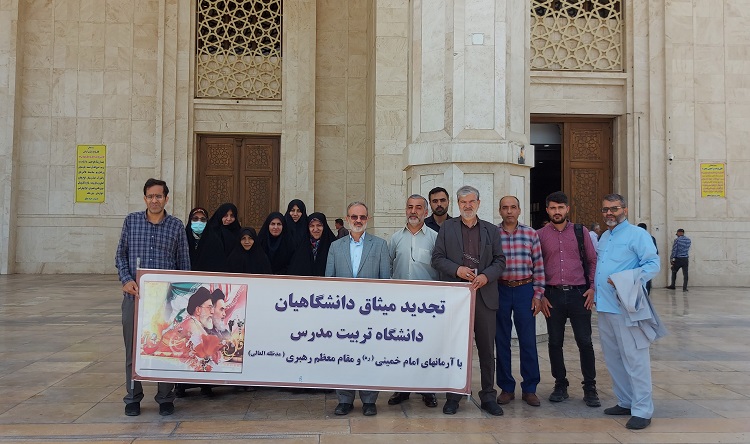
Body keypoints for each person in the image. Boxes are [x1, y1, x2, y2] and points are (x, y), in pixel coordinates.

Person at [115, 178, 190, 417]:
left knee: (165, 348)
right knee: (133, 349)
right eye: (150, 196)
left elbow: (183, 264)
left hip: (165, 302)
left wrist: (180, 299)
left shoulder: (176, 226)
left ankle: (165, 397)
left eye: (159, 196)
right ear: (145, 198)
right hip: (135, 299)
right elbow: (120, 256)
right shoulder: (132, 221)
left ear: (166, 199)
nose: (154, 200)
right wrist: (126, 280)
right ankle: (132, 397)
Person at [432, 185, 506, 416]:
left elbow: (500, 261)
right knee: (455, 348)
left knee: (486, 350)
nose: (467, 206)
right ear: (458, 204)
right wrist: (457, 270)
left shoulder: (491, 230)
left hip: (484, 297)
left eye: (471, 201)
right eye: (463, 202)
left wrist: (485, 276)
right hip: (457, 298)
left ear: (479, 203)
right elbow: (437, 259)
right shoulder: (447, 228)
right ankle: (454, 396)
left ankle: (488, 396)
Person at [596, 193, 661, 430]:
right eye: (605, 209)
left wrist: (624, 278)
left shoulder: (638, 235)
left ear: (625, 209)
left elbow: (653, 264)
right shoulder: (605, 237)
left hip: (627, 307)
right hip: (604, 307)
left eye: (614, 209)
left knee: (635, 359)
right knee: (614, 359)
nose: (609, 213)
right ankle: (625, 401)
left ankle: (643, 410)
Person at [325, 201, 391, 416]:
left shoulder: (379, 245)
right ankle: (344, 399)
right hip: (342, 313)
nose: (358, 220)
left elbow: (385, 281)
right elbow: (329, 280)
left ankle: (369, 400)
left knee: (370, 356)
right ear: (347, 219)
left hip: (371, 313)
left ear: (368, 219)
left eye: (362, 217)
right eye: (354, 217)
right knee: (343, 356)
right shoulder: (336, 246)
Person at [536, 191, 600, 407]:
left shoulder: (581, 232)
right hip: (552, 295)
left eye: (560, 208)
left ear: (567, 209)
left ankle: (590, 387)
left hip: (579, 294)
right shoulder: (540, 235)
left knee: (585, 342)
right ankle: (560, 384)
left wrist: (592, 288)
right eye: (553, 208)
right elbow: (535, 266)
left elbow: (592, 261)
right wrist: (541, 295)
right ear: (547, 210)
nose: (557, 212)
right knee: (555, 342)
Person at [386, 195, 439, 409]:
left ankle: (428, 390)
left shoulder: (435, 238)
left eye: (418, 207)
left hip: (427, 304)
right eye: (410, 207)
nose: (413, 211)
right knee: (402, 346)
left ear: (426, 212)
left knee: (426, 347)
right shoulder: (395, 238)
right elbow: (389, 265)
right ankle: (403, 388)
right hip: (400, 304)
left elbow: (439, 269)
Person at [495, 196, 545, 408]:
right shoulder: (493, 234)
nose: (509, 211)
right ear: (499, 211)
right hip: (500, 289)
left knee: (527, 340)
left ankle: (530, 388)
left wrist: (538, 295)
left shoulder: (530, 233)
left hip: (525, 289)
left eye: (513, 207)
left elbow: (539, 266)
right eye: (505, 208)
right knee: (501, 340)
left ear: (519, 210)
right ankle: (506, 387)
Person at [194, 203, 241, 272]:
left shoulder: (239, 232)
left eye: (232, 216)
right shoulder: (210, 231)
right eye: (225, 215)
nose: (229, 219)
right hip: (212, 271)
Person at [288, 212, 337, 277]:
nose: (315, 229)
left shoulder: (334, 246)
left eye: (319, 225)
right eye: (312, 226)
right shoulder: (302, 246)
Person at [637, 223, 658, 294]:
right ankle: (646, 293)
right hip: (648, 262)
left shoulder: (636, 238)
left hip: (639, 262)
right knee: (647, 278)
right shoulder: (651, 238)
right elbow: (656, 251)